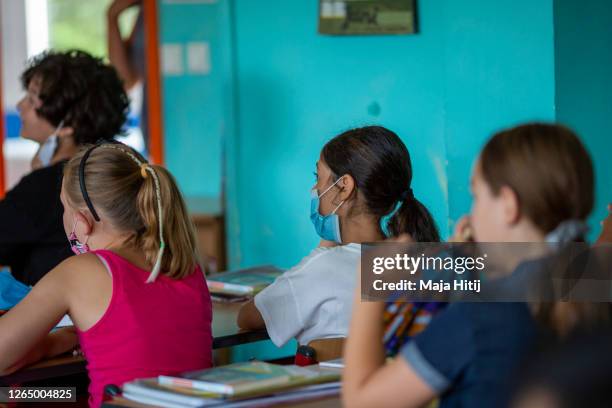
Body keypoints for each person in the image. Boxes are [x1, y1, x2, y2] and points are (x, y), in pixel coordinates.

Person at [343, 123, 610, 408]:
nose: (471, 215)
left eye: (476, 196)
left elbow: (362, 401)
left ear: (509, 205)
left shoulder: (478, 320)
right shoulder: (596, 298)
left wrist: (369, 283)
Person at [0, 143, 213, 407]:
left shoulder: (80, 272)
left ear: (82, 220)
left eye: (63, 208)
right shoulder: (184, 262)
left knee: (19, 396)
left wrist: (53, 343)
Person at [237, 126, 439, 348]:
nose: (314, 189)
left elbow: (247, 318)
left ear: (344, 187)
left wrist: (323, 249)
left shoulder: (321, 268)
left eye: (319, 178)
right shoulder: (425, 261)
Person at [0, 50, 129, 285]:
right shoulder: (109, 175)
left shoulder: (46, 186)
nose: (20, 106)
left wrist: (38, 177)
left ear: (67, 124)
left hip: (54, 320)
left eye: (32, 99)